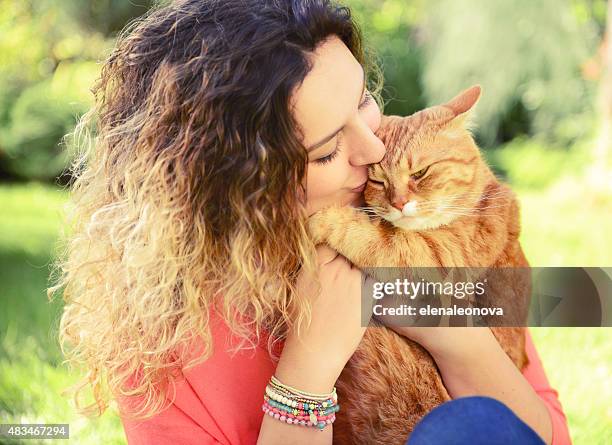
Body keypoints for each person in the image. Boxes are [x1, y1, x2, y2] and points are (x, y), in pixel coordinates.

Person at [49, 1, 572, 444]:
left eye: (363, 100)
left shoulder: (423, 234)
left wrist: (452, 334)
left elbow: (544, 434)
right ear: (241, 184)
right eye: (326, 153)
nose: (372, 149)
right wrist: (309, 369)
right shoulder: (166, 337)